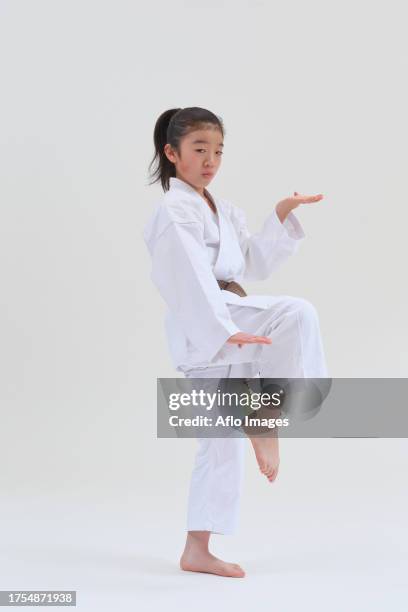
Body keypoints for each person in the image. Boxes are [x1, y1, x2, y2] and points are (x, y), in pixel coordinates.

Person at [143, 107, 328, 578]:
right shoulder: (175, 211)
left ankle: (198, 548)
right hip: (207, 324)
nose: (211, 160)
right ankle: (265, 417)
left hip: (228, 315)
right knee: (294, 315)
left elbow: (251, 263)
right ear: (172, 153)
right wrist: (224, 333)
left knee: (221, 440)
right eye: (200, 149)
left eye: (218, 151)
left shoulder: (220, 209)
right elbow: (185, 278)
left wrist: (282, 216)